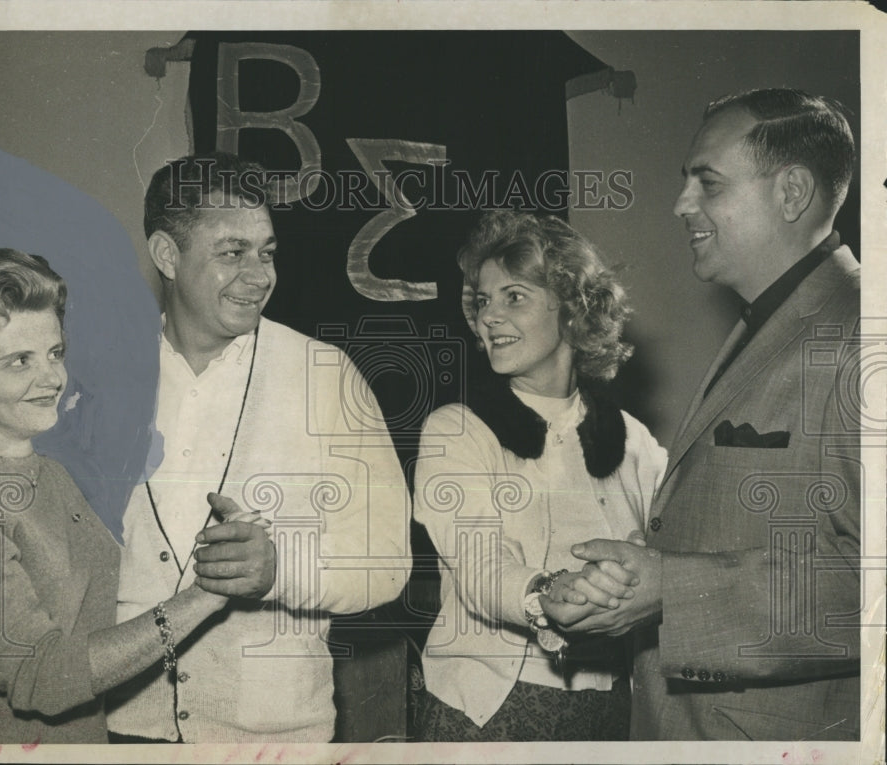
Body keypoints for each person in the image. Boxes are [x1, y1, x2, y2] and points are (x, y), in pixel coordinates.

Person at [564, 89, 862, 740]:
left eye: (709, 183)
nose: (681, 205)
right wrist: (634, 577)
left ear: (791, 193)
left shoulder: (861, 332)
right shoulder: (770, 321)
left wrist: (673, 588)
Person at [106, 152, 410, 743]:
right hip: (118, 731)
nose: (260, 275)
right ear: (167, 255)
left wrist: (279, 569)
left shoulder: (325, 375)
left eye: (266, 251)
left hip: (273, 740)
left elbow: (387, 560)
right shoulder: (95, 379)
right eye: (232, 252)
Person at [0, 247, 251, 744]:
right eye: (18, 361)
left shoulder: (50, 474)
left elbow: (102, 615)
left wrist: (219, 552)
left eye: (55, 353)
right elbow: (45, 678)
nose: (51, 378)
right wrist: (205, 598)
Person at [411, 211, 667, 740]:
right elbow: (481, 568)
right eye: (483, 301)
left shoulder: (634, 441)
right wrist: (544, 593)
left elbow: (671, 555)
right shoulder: (456, 431)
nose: (489, 318)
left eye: (514, 297)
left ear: (572, 309)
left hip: (612, 716)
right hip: (483, 712)